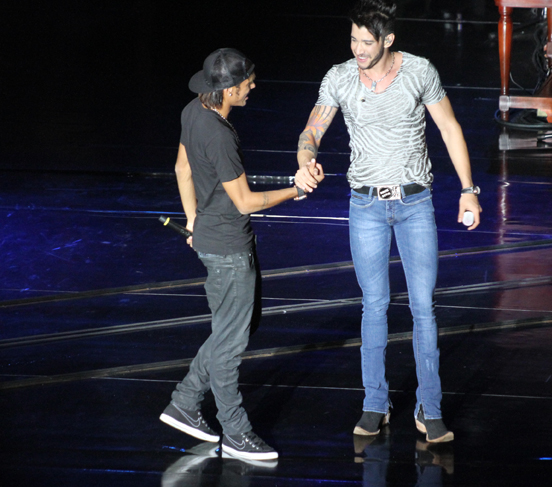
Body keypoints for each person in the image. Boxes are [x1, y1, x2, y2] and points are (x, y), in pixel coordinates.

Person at [295, 0, 480, 443]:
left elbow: (450, 129)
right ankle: (374, 403)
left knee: (423, 310)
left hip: (415, 204)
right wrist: (305, 159)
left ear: (388, 40)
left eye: (366, 42)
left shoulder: (419, 72)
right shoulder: (339, 78)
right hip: (366, 208)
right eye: (353, 39)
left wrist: (468, 189)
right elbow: (311, 131)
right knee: (373, 306)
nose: (358, 48)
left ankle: (429, 407)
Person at [160, 48, 324, 461]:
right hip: (229, 249)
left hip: (215, 240)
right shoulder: (219, 133)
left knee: (235, 329)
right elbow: (246, 202)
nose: (253, 86)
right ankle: (235, 433)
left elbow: (182, 169)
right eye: (248, 81)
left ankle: (185, 400)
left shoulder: (192, 111)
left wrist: (193, 220)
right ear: (230, 89)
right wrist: (297, 188)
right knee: (231, 344)